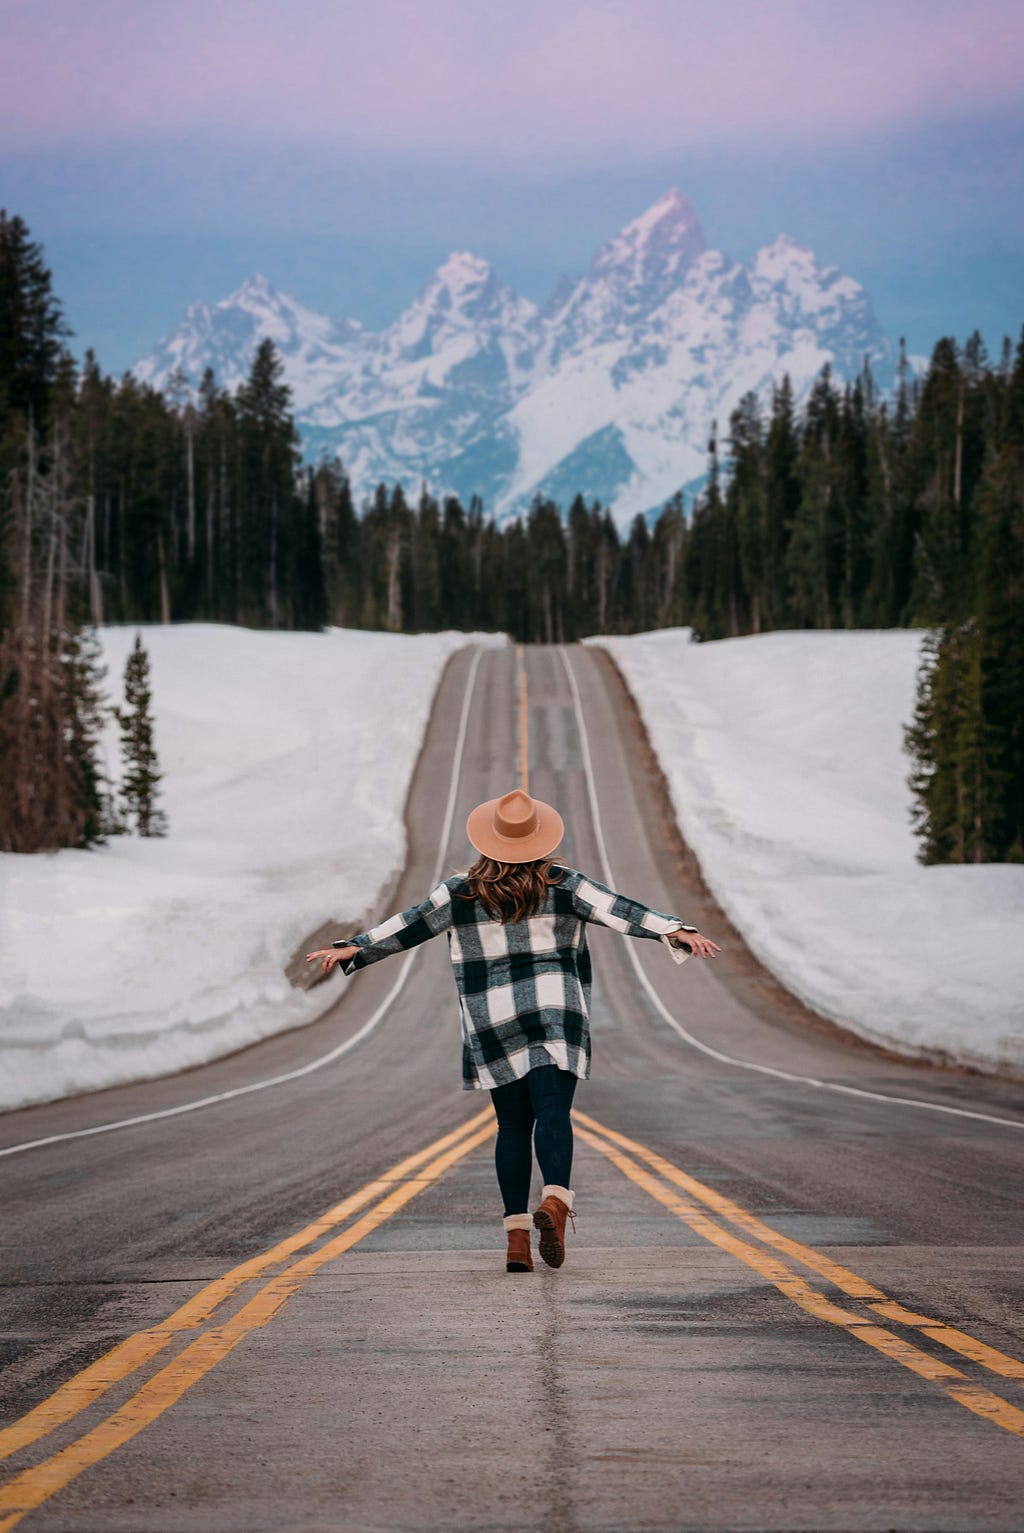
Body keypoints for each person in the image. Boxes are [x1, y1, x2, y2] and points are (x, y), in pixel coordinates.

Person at [306, 787, 720, 1274]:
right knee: (553, 1112)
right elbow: (619, 909)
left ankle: (517, 1242)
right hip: (555, 1010)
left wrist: (354, 948)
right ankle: (555, 1202)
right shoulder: (563, 883)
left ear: (488, 841)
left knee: (512, 1127)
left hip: (492, 1018)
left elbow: (408, 925)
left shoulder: (460, 891)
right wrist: (674, 930)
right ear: (540, 839)